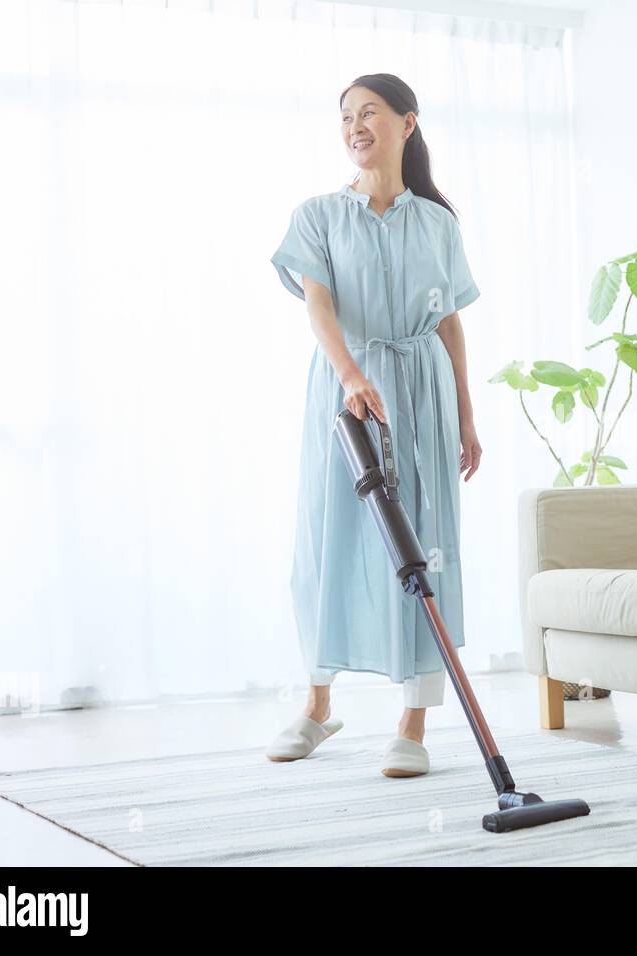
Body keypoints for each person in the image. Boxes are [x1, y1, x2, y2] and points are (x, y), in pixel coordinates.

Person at [265, 74, 482, 777]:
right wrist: (353, 376)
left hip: (423, 394)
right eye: (346, 117)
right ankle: (319, 704)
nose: (356, 126)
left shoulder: (437, 222)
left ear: (406, 123)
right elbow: (318, 307)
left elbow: (448, 321)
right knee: (331, 541)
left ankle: (413, 725)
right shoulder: (319, 215)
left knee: (423, 547)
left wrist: (467, 419)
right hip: (348, 394)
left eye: (370, 113)